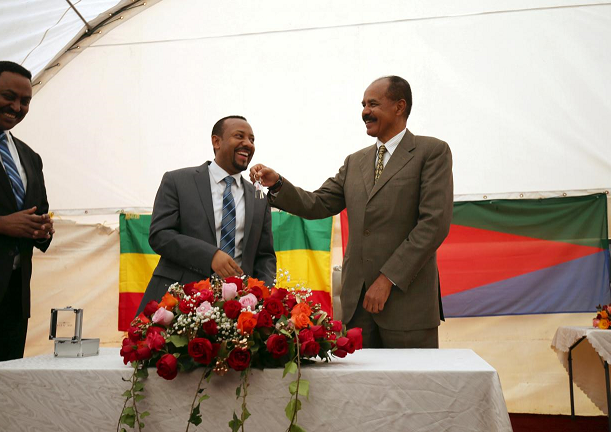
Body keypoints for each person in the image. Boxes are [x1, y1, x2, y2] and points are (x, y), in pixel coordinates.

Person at [250, 76, 453, 348]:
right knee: (361, 389)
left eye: (373, 104)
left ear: (399, 106)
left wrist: (387, 280)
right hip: (358, 307)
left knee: (410, 388)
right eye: (363, 104)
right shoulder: (355, 161)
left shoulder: (432, 152)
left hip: (409, 306)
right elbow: (318, 203)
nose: (365, 112)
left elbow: (433, 225)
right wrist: (277, 184)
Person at [136, 116, 277, 314]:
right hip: (178, 305)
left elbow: (265, 257)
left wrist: (262, 296)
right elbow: (160, 235)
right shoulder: (178, 181)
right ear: (216, 141)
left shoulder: (259, 196)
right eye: (240, 136)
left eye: (252, 139)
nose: (248, 143)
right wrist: (210, 255)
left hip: (236, 313)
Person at [0, 61, 54, 366]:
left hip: (13, 302)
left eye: (25, 101)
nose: (16, 107)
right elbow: (6, 222)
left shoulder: (29, 156)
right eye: (9, 96)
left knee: (1, 399)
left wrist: (42, 230)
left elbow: (38, 211)